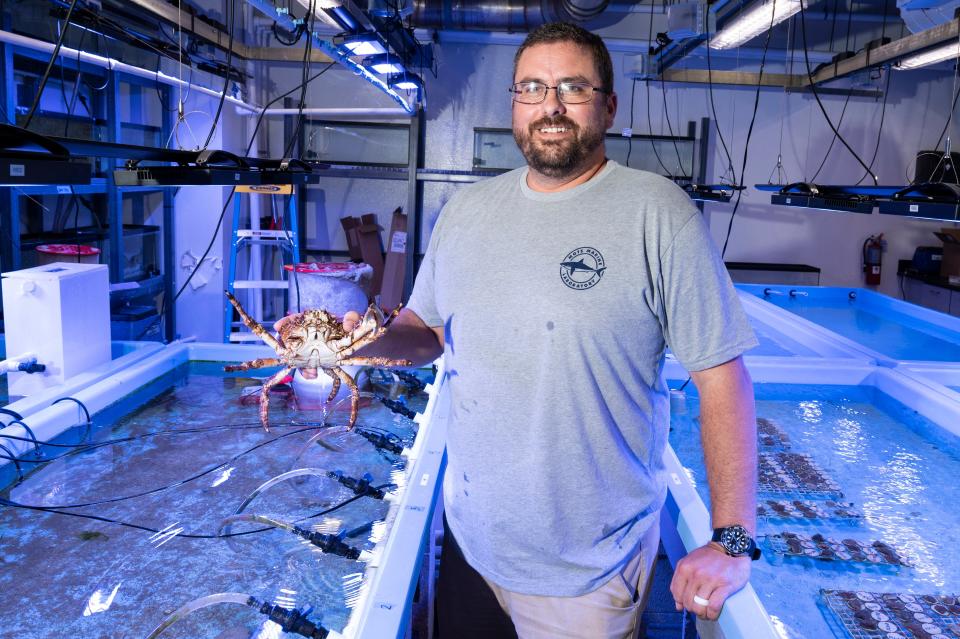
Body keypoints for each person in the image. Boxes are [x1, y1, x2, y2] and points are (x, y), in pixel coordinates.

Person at [318, 21, 759, 639]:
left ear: (608, 105)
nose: (550, 105)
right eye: (532, 88)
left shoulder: (658, 214)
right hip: (472, 543)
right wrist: (364, 340)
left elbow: (722, 378)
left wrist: (732, 539)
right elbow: (426, 331)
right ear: (514, 105)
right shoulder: (465, 213)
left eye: (572, 88)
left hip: (586, 572)